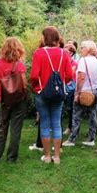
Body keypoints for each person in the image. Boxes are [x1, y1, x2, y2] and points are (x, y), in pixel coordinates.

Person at [30, 26, 72, 164]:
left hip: (42, 93)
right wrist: (60, 85)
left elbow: (34, 75)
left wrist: (37, 87)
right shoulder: (64, 53)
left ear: (45, 37)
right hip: (58, 94)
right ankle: (57, 156)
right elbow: (69, 75)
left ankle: (47, 156)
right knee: (56, 124)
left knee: (45, 124)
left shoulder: (39, 53)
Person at [0, 37, 28, 162]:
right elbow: (23, 83)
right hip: (18, 100)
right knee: (15, 128)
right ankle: (11, 157)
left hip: (4, 100)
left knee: (2, 126)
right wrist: (24, 95)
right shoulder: (19, 65)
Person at [63, 40, 97, 147]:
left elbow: (81, 77)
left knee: (77, 116)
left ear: (88, 49)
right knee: (93, 115)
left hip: (84, 91)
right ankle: (91, 139)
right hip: (96, 90)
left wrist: (77, 93)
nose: (80, 50)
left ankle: (72, 139)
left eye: (82, 47)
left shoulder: (83, 61)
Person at [62, 43, 78, 136]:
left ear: (71, 53)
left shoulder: (74, 63)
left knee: (70, 108)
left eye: (66, 51)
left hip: (70, 88)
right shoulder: (62, 61)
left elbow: (69, 75)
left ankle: (70, 127)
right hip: (63, 86)